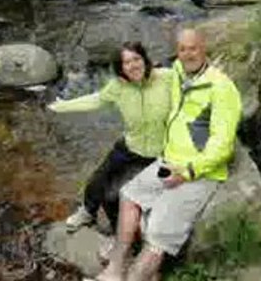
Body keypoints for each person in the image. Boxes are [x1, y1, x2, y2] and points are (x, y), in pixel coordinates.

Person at [97, 27, 243, 281]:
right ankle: (115, 268)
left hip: (198, 173)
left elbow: (222, 145)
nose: (188, 54)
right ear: (177, 52)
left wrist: (188, 172)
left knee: (157, 231)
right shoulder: (176, 71)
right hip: (168, 161)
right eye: (182, 49)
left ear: (203, 48)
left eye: (193, 48)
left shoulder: (222, 88)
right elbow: (148, 76)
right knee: (128, 195)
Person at [47, 41, 173, 233]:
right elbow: (96, 99)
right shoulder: (118, 87)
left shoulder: (166, 78)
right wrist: (63, 106)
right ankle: (88, 212)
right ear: (121, 68)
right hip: (131, 145)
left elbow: (194, 82)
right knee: (98, 180)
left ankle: (128, 234)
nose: (133, 65)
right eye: (126, 62)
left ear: (144, 59)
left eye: (136, 59)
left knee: (118, 196)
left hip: (160, 152)